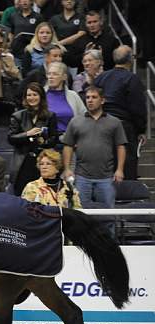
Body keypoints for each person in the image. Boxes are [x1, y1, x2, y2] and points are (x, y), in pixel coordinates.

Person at [62, 86, 126, 233]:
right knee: (79, 215)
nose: (89, 100)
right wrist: (66, 168)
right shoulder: (76, 121)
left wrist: (120, 169)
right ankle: (81, 246)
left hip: (106, 177)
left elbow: (121, 146)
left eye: (94, 97)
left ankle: (109, 248)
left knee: (108, 217)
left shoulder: (114, 122)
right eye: (88, 97)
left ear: (102, 100)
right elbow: (68, 146)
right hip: (81, 176)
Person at [95, 45, 147, 181]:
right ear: (131, 60)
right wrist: (141, 129)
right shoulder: (132, 79)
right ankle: (126, 197)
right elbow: (138, 108)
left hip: (101, 125)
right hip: (124, 129)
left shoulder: (101, 78)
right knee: (126, 168)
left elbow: (91, 99)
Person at [8, 82, 58, 195]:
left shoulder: (50, 116)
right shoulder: (18, 116)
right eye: (29, 95)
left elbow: (54, 140)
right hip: (23, 161)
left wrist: (43, 142)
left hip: (42, 161)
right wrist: (27, 134)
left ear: (41, 96)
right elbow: (11, 138)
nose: (31, 98)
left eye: (35, 94)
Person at [44, 61, 85, 139]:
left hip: (69, 140)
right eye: (49, 74)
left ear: (64, 77)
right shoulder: (41, 94)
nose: (51, 77)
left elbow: (84, 118)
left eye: (55, 74)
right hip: (46, 141)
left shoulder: (73, 95)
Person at [4, 0, 43, 66]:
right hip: (17, 52)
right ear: (19, 2)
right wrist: (9, 44)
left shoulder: (38, 17)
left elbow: (41, 33)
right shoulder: (13, 16)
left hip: (32, 51)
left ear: (32, 2)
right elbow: (11, 32)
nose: (25, 1)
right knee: (18, 73)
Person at [49, 0, 86, 69]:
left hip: (76, 54)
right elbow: (50, 34)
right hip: (59, 55)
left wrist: (59, 43)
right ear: (61, 2)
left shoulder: (81, 17)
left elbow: (81, 33)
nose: (69, 1)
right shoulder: (55, 19)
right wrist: (58, 46)